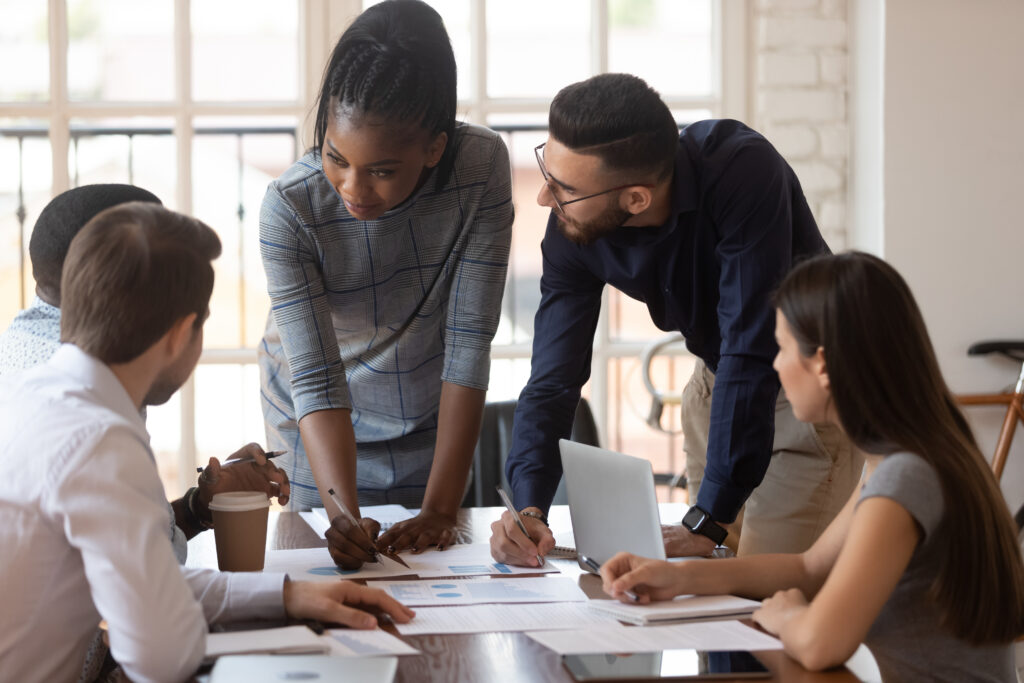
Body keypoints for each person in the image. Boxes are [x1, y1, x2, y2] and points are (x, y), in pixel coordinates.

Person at [0, 202, 414, 683]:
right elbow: (161, 656)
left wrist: (285, 596)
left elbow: (146, 580)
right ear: (180, 335)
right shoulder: (98, 440)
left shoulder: (31, 398)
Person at [599, 252, 1024, 680]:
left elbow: (821, 643)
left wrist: (788, 614)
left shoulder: (905, 476)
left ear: (821, 364)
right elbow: (810, 568)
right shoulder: (908, 457)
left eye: (781, 348)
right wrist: (682, 578)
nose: (776, 365)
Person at [490, 73, 859, 566]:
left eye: (564, 188)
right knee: (697, 604)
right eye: (547, 172)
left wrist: (710, 520)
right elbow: (552, 378)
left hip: (805, 395)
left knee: (768, 599)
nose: (543, 198)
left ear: (636, 198)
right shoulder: (572, 226)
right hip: (716, 387)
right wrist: (529, 505)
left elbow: (752, 346)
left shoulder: (742, 170)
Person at [258, 0, 513, 568]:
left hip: (427, 412)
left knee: (432, 581)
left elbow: (470, 342)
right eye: (335, 157)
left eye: (381, 170)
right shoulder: (289, 209)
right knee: (337, 578)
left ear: (433, 149)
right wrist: (342, 517)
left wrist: (442, 510)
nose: (353, 188)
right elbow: (318, 380)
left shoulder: (480, 170)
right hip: (315, 422)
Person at [0, 183, 290, 564]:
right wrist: (288, 597)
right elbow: (150, 593)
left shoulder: (21, 353)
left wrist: (200, 505)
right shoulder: (96, 405)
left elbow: (125, 551)